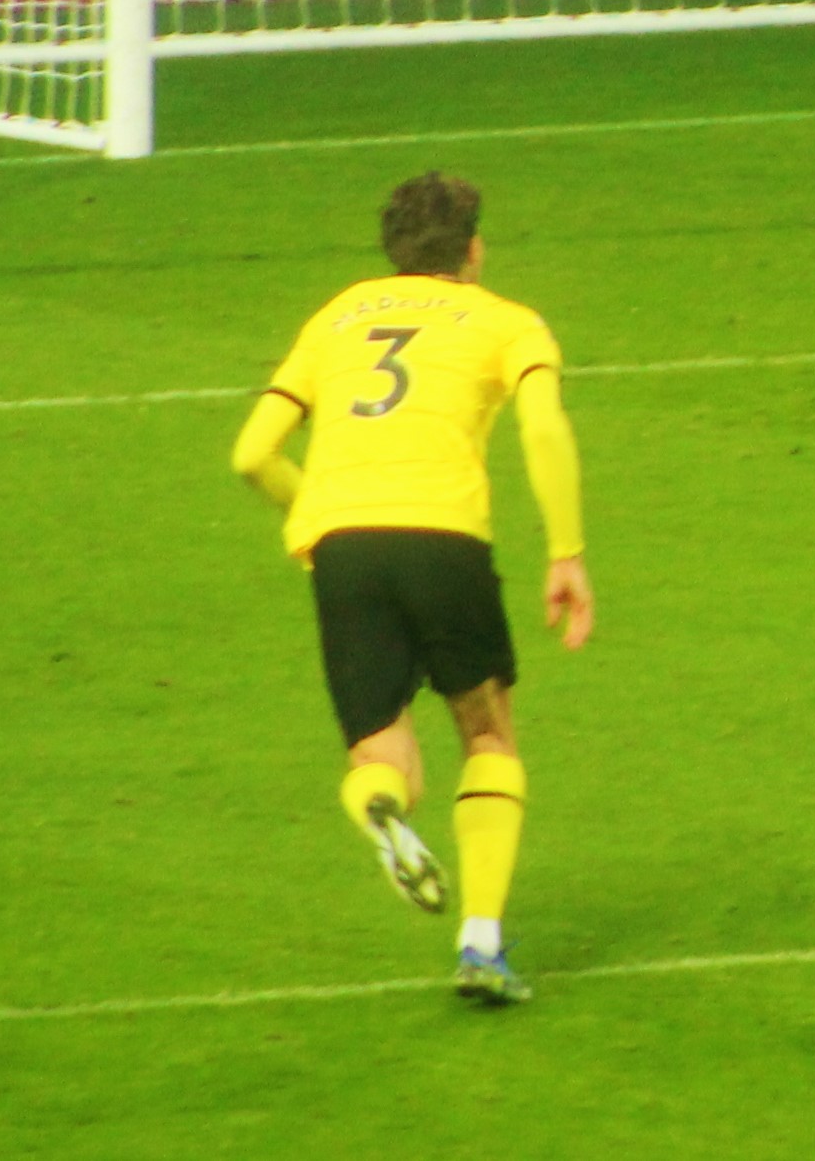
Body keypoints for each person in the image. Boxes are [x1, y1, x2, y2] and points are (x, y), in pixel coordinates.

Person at [224, 173, 591, 1009]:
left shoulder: (338, 315)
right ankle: (482, 944)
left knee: (382, 753)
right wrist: (566, 552)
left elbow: (251, 454)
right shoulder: (507, 321)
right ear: (473, 249)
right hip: (443, 540)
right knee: (486, 733)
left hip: (346, 549)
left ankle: (383, 809)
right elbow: (542, 425)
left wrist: (314, 519)